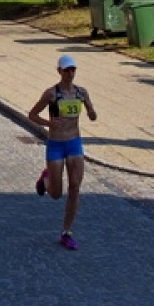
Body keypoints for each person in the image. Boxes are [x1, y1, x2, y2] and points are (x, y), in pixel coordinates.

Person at [28, 53, 98, 250]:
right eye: (66, 70)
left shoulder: (81, 93)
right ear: (59, 71)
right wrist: (49, 123)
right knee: (56, 194)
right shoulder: (52, 94)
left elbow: (92, 114)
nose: (70, 73)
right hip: (56, 143)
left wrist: (92, 113)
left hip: (74, 142)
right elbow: (32, 114)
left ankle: (67, 232)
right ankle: (46, 180)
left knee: (75, 188)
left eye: (73, 70)